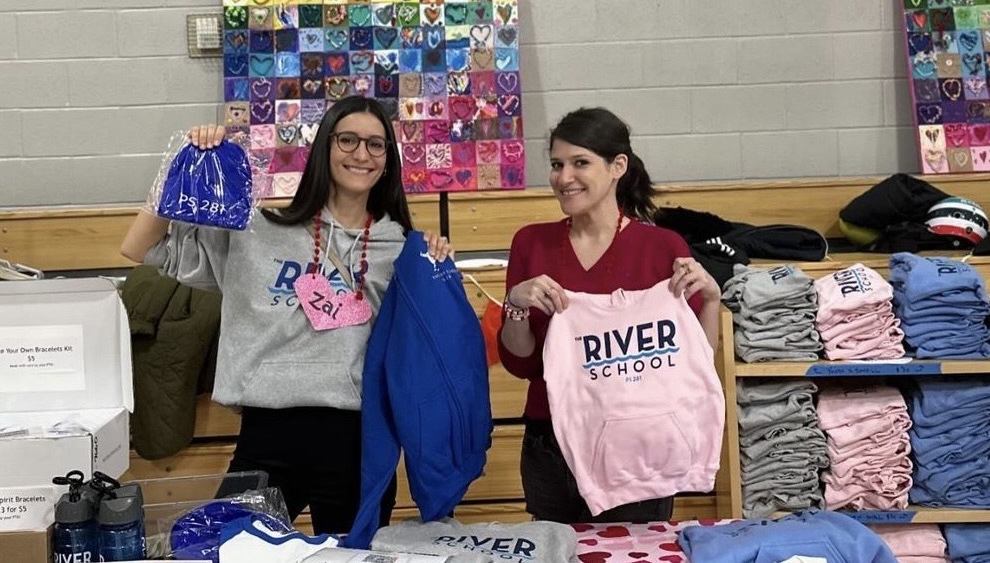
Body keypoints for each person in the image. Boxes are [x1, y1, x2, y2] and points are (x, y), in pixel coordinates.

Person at [120, 95, 452, 535]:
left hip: (358, 443)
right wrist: (183, 166)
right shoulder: (257, 230)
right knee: (230, 550)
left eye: (376, 145)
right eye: (348, 140)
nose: (361, 154)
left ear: (388, 160)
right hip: (267, 437)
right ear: (324, 147)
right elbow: (137, 247)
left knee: (351, 559)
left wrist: (436, 264)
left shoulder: (402, 249)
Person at [497, 107, 721, 523]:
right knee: (557, 551)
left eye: (580, 163)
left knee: (634, 551)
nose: (564, 177)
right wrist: (516, 304)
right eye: (557, 165)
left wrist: (710, 302)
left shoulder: (663, 248)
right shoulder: (531, 243)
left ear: (618, 166)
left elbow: (693, 358)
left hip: (638, 446)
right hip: (552, 443)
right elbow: (522, 364)